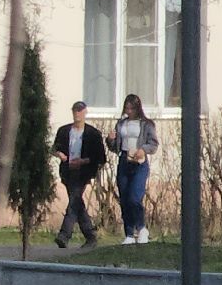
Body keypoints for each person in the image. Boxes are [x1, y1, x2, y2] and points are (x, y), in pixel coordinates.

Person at [52, 100, 107, 248]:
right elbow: (55, 148)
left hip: (84, 172)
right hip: (68, 171)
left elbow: (100, 157)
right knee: (77, 202)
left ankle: (64, 235)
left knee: (75, 199)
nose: (77, 114)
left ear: (85, 113)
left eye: (80, 111)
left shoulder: (92, 133)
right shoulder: (64, 131)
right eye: (75, 111)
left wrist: (82, 161)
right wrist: (60, 155)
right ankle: (90, 236)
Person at [108, 93, 159, 245]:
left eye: (132, 108)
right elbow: (114, 147)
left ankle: (142, 227)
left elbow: (154, 144)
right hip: (124, 160)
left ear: (138, 108)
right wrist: (110, 140)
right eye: (127, 108)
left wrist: (143, 149)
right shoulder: (121, 124)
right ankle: (129, 233)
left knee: (134, 197)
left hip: (139, 162)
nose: (129, 111)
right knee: (124, 198)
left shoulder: (146, 124)